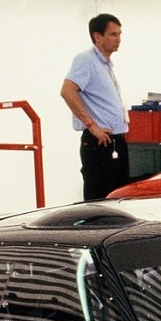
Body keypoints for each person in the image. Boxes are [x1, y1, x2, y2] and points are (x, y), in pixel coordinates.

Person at [60, 13, 130, 200]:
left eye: (119, 34)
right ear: (97, 37)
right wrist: (92, 126)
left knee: (119, 195)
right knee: (100, 198)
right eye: (113, 34)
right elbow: (68, 91)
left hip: (115, 140)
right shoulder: (86, 60)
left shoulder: (106, 64)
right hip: (100, 143)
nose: (118, 39)